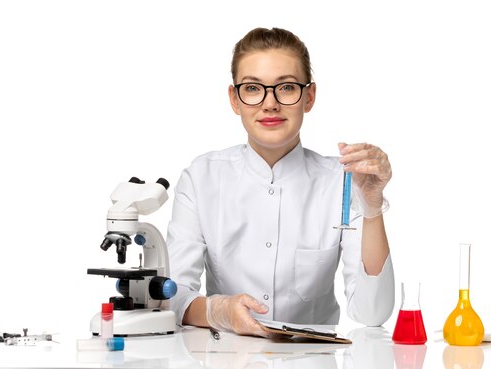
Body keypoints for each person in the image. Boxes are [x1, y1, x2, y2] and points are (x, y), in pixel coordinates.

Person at [166, 27, 394, 337]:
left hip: (316, 361)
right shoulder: (202, 178)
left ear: (309, 97)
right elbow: (172, 295)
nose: (270, 103)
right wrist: (219, 311)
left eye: (286, 87)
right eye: (253, 88)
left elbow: (372, 313)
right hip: (229, 359)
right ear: (235, 99)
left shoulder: (342, 183)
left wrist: (372, 208)